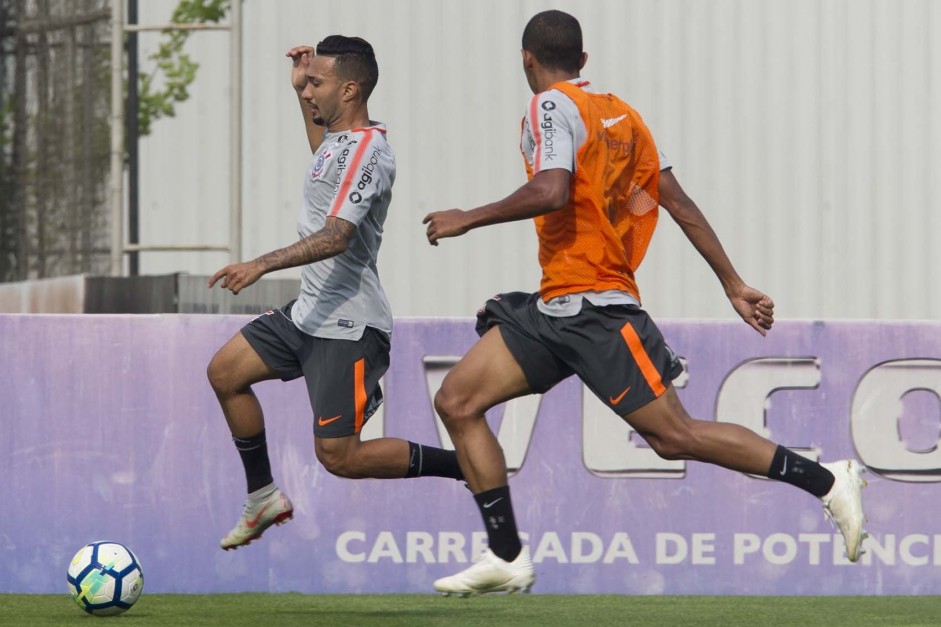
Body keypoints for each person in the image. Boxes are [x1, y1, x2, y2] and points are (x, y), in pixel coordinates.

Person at [423, 10, 867, 595]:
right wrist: (732, 282)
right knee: (457, 400)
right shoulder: (625, 118)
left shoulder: (550, 105)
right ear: (583, 61)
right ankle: (505, 554)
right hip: (556, 305)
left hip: (595, 309)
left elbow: (552, 189)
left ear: (525, 58)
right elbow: (676, 204)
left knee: (673, 436)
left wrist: (468, 218)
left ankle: (828, 481)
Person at [207, 35, 463, 551]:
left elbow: (336, 235)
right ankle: (262, 497)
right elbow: (324, 161)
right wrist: (299, 87)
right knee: (225, 373)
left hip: (349, 325)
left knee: (340, 458)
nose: (309, 93)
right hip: (308, 314)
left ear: (349, 89)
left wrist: (260, 264)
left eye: (318, 84)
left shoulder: (372, 152)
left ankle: (465, 465)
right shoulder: (338, 146)